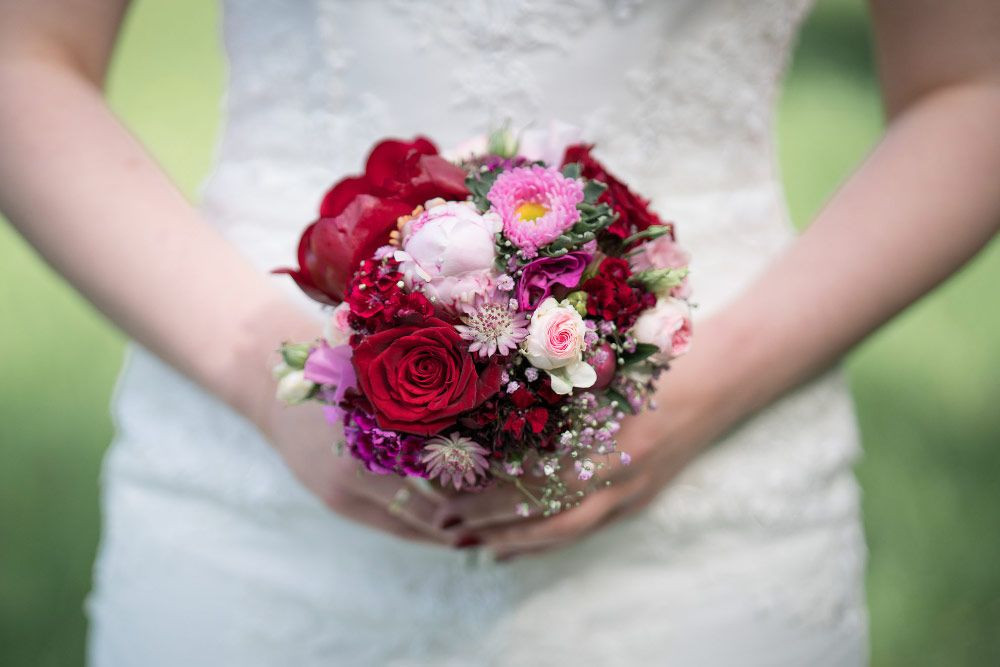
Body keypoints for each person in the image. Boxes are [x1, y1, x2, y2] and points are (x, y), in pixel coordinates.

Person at [1, 0, 998, 664]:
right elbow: (25, 55)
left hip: (709, 482)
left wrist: (700, 396)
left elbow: (974, 83)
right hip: (250, 474)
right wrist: (264, 377)